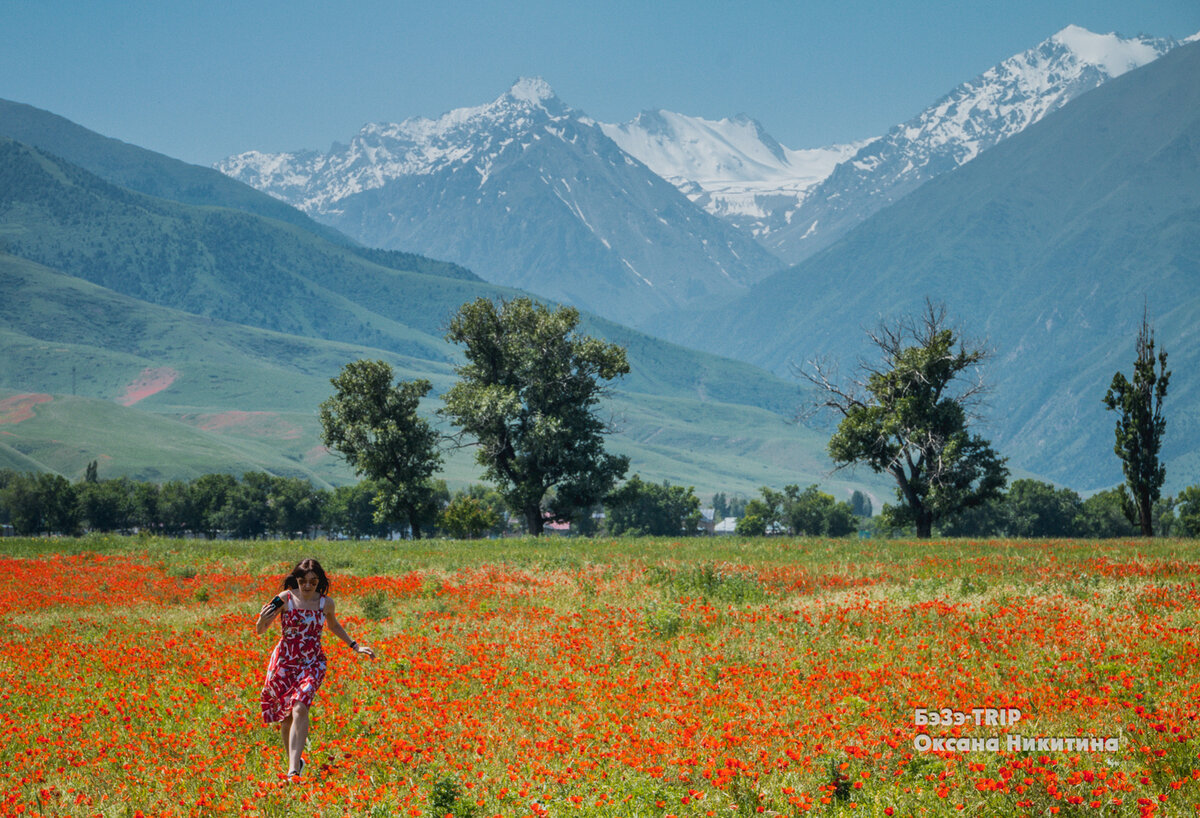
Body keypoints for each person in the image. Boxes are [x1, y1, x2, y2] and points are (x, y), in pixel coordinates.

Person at [256, 558, 374, 777]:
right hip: (285, 661)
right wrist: (261, 620)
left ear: (319, 581)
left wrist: (355, 646)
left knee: (300, 707)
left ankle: (293, 772)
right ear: (296, 580)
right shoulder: (284, 599)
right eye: (303, 581)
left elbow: (334, 625)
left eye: (312, 581)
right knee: (287, 719)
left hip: (312, 661)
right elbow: (261, 630)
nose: (308, 585)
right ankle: (296, 761)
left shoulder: (326, 603)